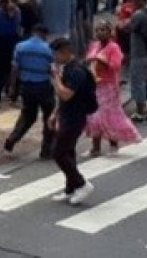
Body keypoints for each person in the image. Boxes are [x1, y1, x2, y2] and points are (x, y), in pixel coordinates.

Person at [49, 37, 96, 206]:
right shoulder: (68, 69)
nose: (55, 58)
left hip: (75, 116)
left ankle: (81, 183)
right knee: (68, 151)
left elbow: (66, 94)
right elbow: (63, 99)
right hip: (67, 113)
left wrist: (56, 78)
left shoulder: (77, 71)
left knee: (58, 152)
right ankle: (71, 187)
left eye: (57, 54)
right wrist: (56, 113)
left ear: (66, 52)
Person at [83, 19, 141, 157]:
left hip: (108, 86)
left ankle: (113, 144)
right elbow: (88, 60)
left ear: (110, 32)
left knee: (108, 115)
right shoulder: (94, 45)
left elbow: (116, 66)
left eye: (103, 30)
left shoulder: (114, 48)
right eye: (97, 30)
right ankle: (95, 147)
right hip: (94, 85)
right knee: (93, 116)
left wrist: (102, 60)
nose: (100, 33)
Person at [4, 25, 55, 158]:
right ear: (44, 34)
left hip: (26, 86)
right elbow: (53, 69)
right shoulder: (48, 49)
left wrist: (12, 87)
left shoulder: (20, 47)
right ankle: (46, 149)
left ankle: (12, 138)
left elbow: (15, 68)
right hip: (43, 86)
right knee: (49, 118)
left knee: (27, 115)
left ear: (33, 33)